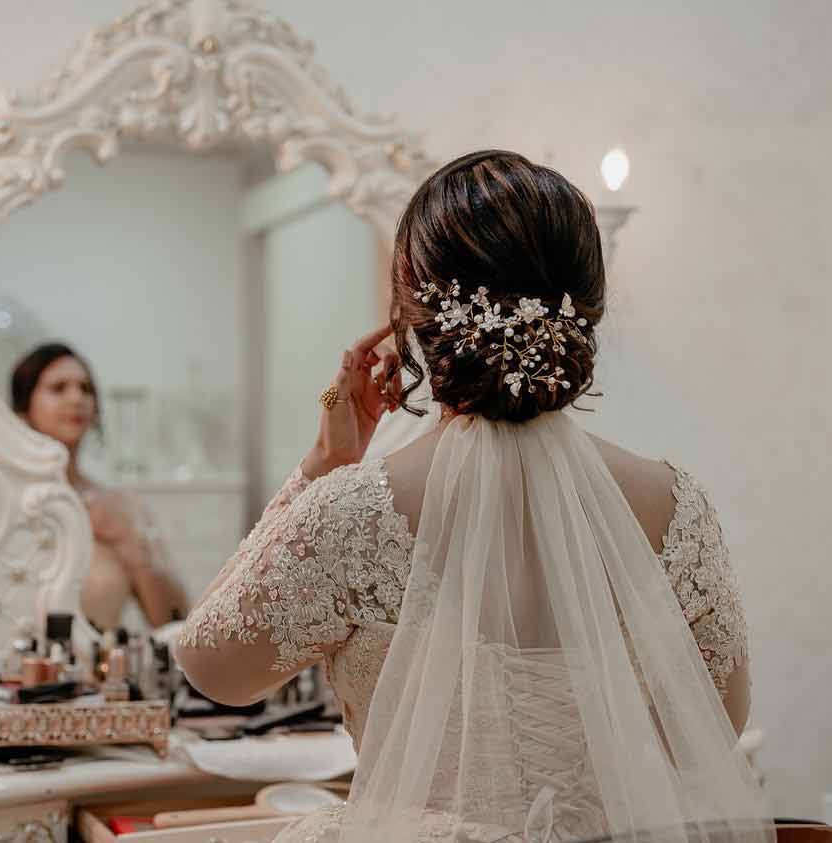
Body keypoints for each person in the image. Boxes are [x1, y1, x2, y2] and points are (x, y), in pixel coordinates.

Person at [176, 151, 771, 843]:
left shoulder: (356, 511)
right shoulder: (675, 505)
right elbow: (713, 725)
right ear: (585, 306)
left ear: (409, 309)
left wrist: (327, 461)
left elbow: (212, 668)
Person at [11, 343, 189, 630]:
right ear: (24, 409)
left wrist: (131, 544)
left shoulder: (121, 506)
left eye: (86, 389)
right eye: (58, 388)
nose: (76, 398)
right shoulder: (4, 505)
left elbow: (175, 623)